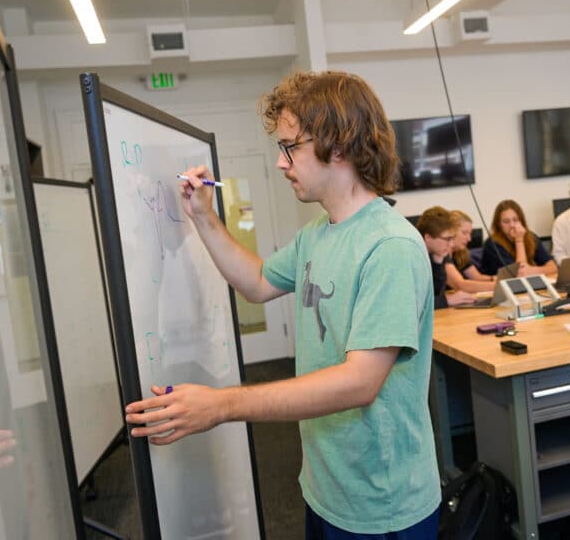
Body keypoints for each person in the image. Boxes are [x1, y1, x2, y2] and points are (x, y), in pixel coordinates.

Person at [124, 71, 440, 538]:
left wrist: (222, 406)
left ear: (338, 146)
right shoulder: (318, 232)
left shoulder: (390, 246)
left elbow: (359, 383)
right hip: (327, 487)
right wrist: (203, 217)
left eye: (290, 147)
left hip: (383, 505)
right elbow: (255, 282)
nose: (280, 161)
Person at [416, 207, 477, 308]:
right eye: (447, 239)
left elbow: (436, 292)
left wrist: (438, 261)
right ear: (428, 238)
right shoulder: (412, 258)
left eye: (452, 238)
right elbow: (411, 304)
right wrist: (446, 300)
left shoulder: (436, 253)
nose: (451, 244)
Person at [479, 200, 557, 277]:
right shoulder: (492, 244)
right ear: (499, 224)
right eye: (506, 221)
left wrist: (532, 271)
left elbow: (553, 267)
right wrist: (519, 240)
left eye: (516, 220)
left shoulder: (531, 237)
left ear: (521, 221)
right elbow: (519, 274)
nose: (512, 225)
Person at [446, 210, 496, 293]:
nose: (469, 239)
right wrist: (498, 285)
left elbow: (476, 277)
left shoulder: (461, 253)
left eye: (470, 234)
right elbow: (461, 285)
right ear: (451, 231)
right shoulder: (441, 254)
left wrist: (493, 278)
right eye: (464, 233)